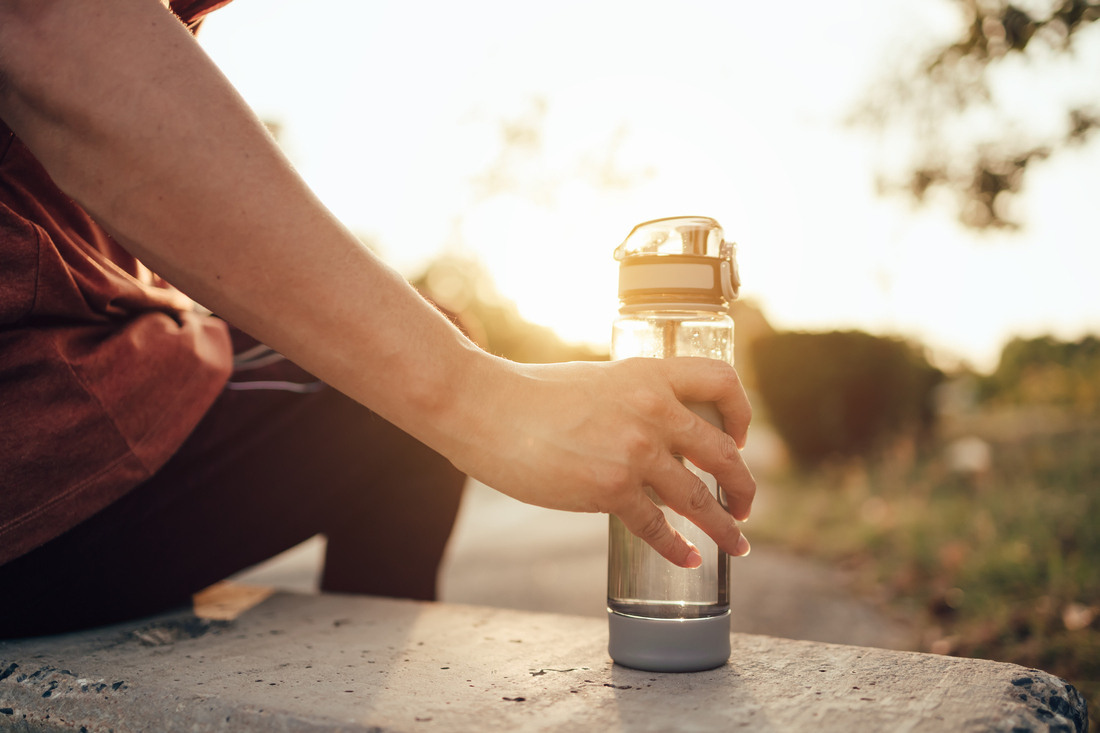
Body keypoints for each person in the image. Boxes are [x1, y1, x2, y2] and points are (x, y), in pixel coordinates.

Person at [0, 0, 755, 637]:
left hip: (95, 367)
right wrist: (483, 400)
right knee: (402, 420)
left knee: (433, 326)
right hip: (37, 445)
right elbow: (48, 23)